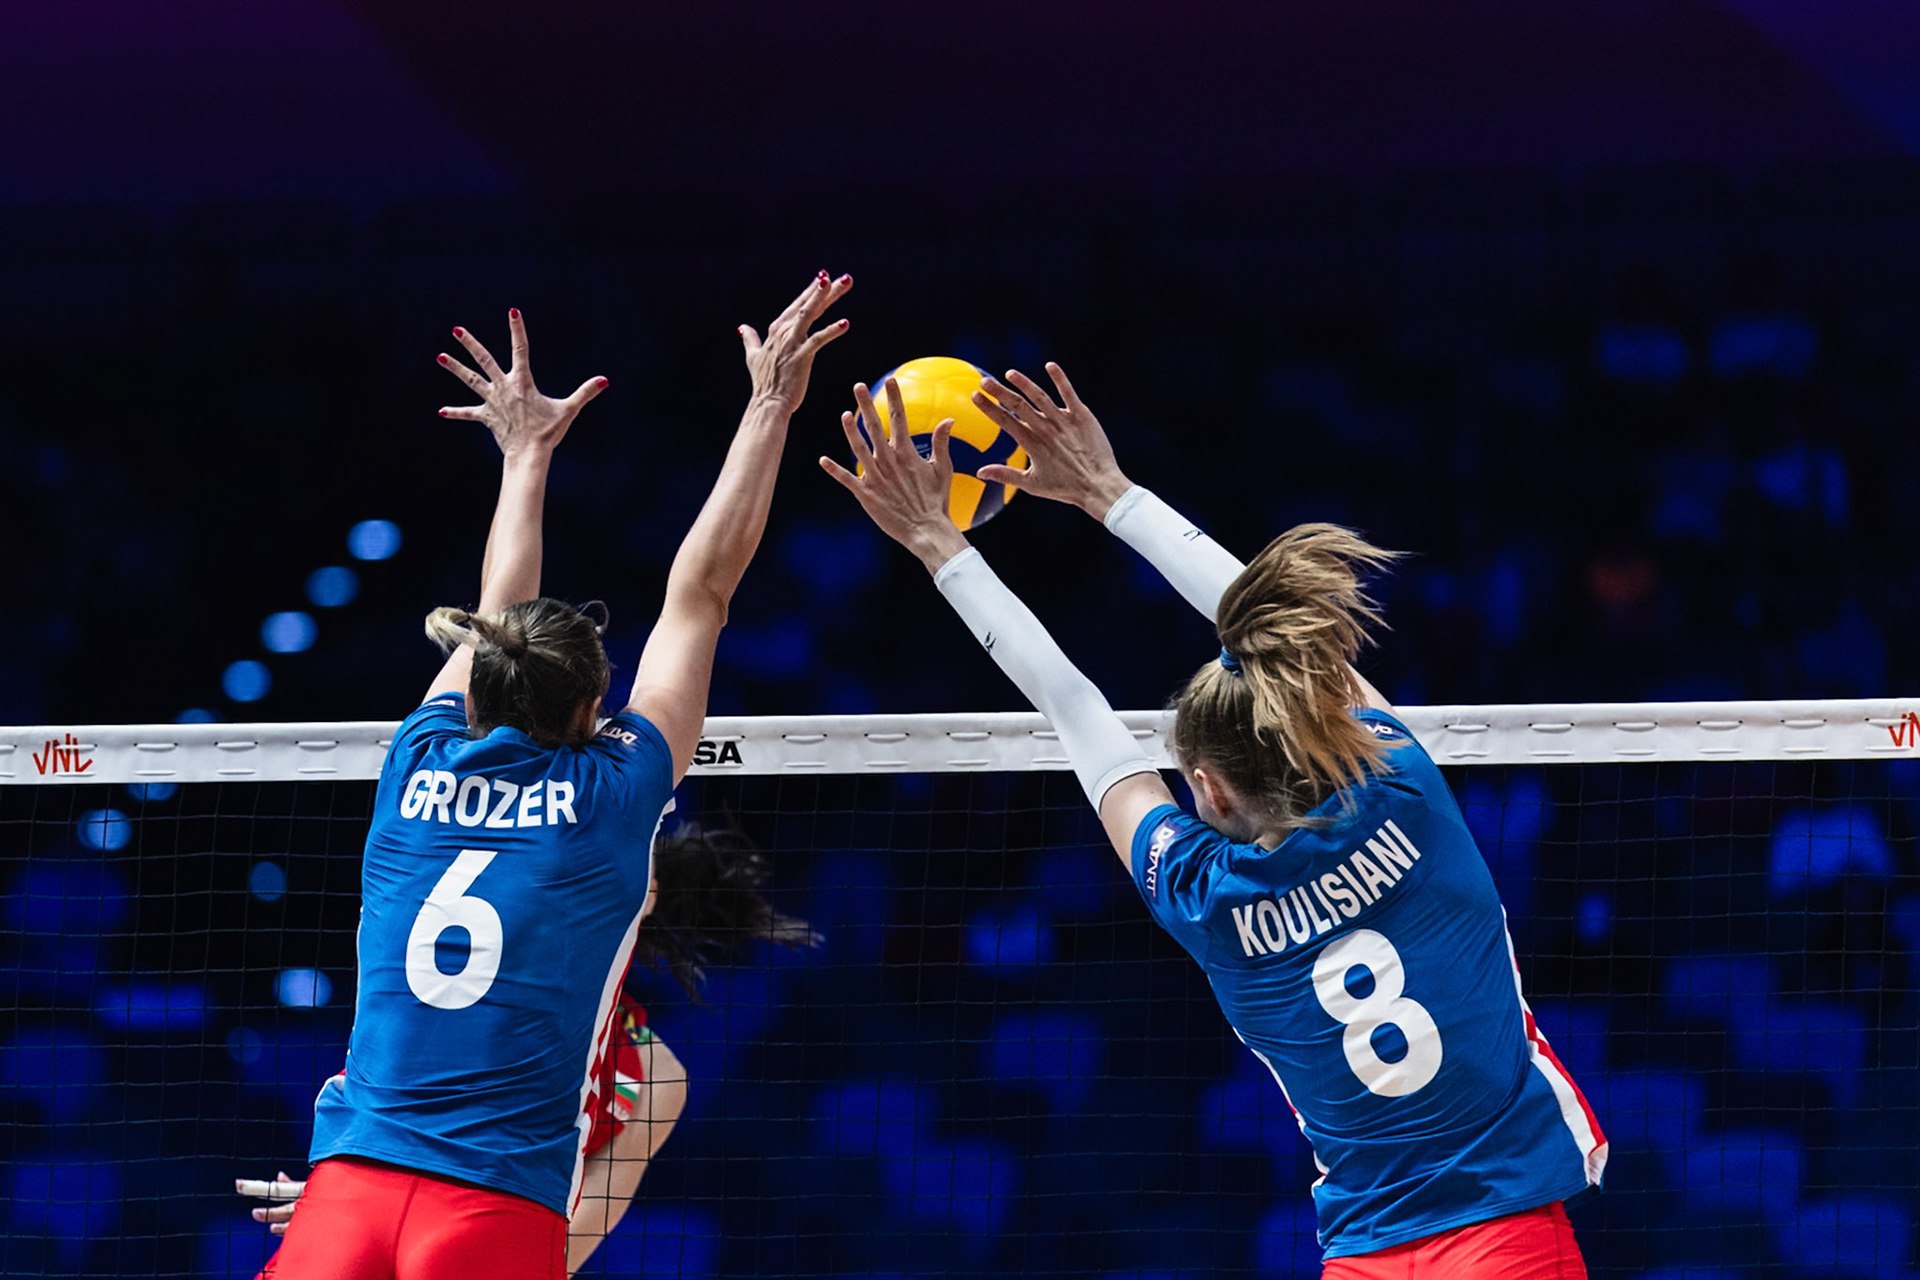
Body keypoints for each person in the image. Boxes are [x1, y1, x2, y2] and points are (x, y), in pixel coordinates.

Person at [821, 368, 1604, 1279]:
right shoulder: (1404, 794)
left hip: (1365, 1258)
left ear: (1208, 791)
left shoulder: (1204, 897)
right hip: (1507, 1234)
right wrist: (1112, 495)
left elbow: (1072, 707)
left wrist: (934, 543)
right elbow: (1271, 626)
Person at [258, 272, 850, 1280]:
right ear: (593, 712)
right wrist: (768, 407)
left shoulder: (415, 760)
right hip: (491, 1207)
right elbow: (700, 593)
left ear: (477, 692)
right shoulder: (614, 799)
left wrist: (524, 456)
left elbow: (499, 602)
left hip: (348, 1184)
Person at [240, 822, 816, 1275]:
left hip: (490, 1247)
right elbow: (386, 1117)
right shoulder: (473, 983)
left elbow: (568, 1246)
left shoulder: (658, 1076)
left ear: (643, 898)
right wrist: (361, 1204)